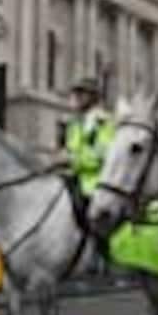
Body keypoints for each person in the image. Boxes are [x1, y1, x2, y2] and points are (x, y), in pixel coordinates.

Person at [64, 77, 116, 269]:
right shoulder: (74, 124)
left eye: (81, 93)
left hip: (97, 183)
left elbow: (102, 155)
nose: (76, 97)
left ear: (93, 97)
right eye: (76, 93)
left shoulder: (105, 123)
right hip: (75, 179)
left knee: (87, 212)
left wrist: (73, 161)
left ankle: (104, 257)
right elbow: (71, 150)